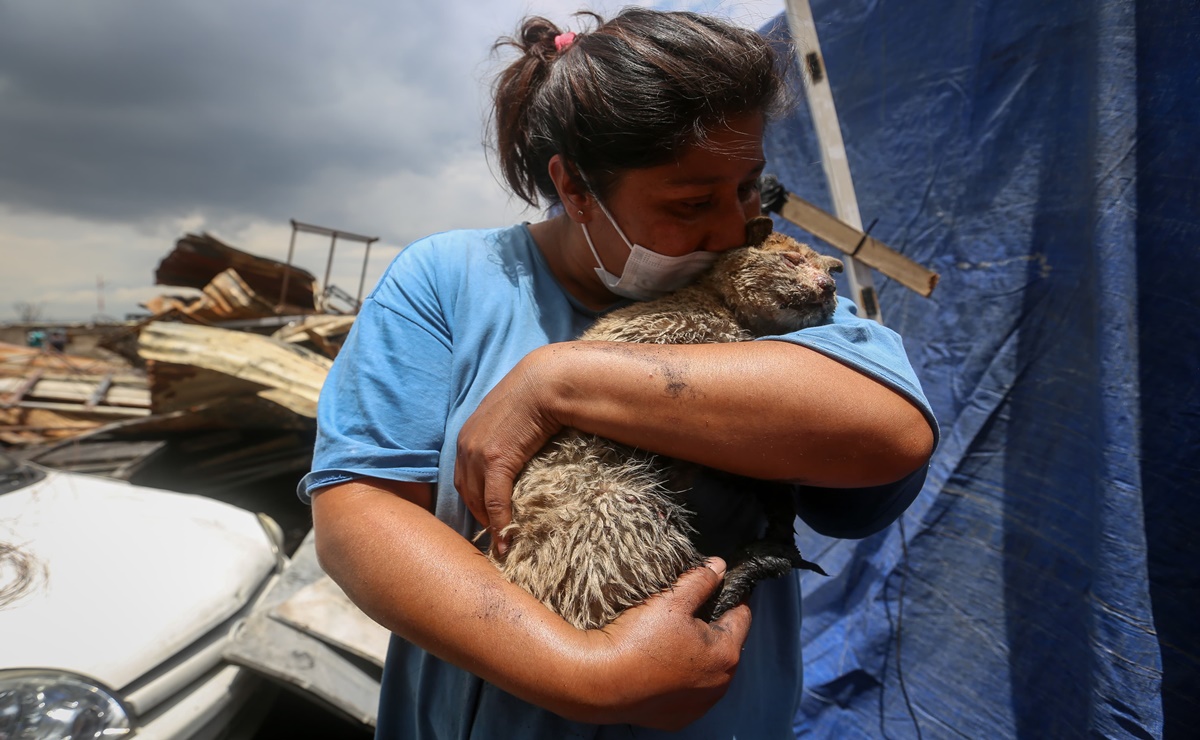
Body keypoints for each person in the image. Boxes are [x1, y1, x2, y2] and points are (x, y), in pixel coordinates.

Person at [301, 8, 938, 739]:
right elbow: (359, 516)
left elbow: (888, 430)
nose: (733, 227)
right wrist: (584, 671)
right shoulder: (448, 281)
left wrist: (560, 379)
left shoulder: (773, 287)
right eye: (691, 202)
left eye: (746, 188)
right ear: (574, 188)